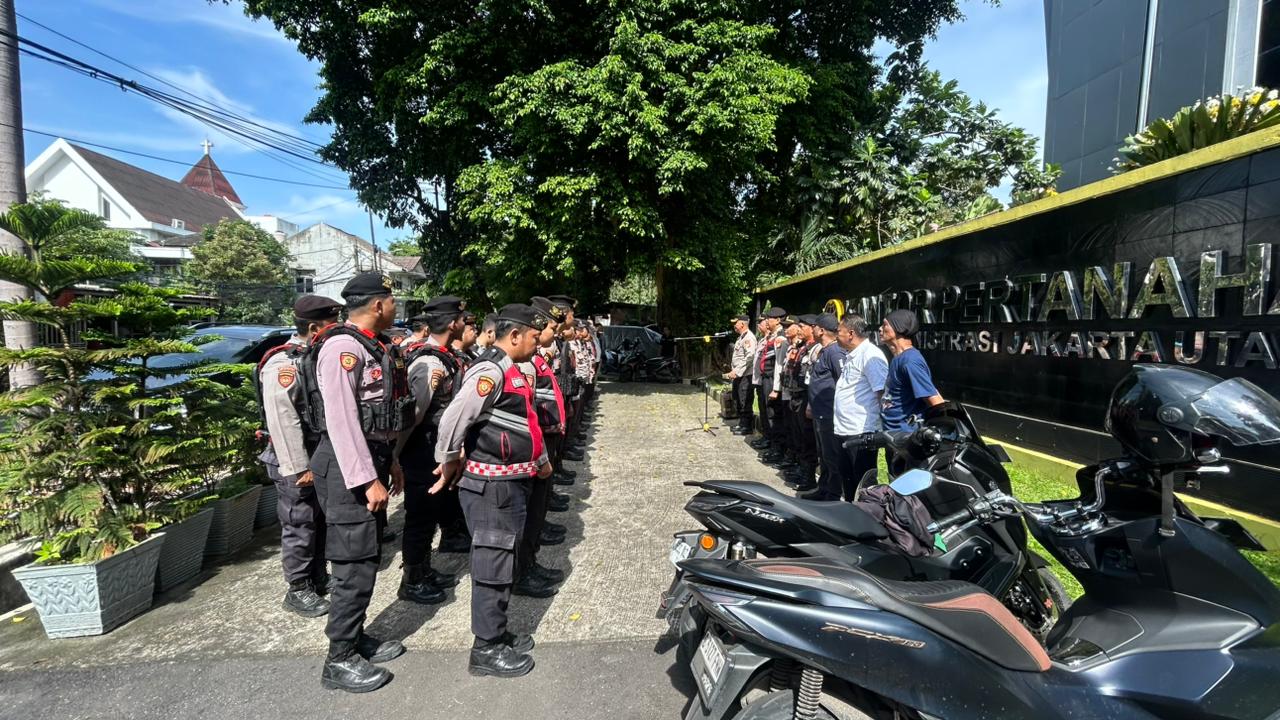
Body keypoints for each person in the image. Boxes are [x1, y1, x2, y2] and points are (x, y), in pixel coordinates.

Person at [431, 303, 552, 678]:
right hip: (491, 487)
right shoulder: (491, 370)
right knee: (492, 565)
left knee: (503, 561)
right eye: (533, 337)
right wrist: (448, 460)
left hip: (510, 483)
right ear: (514, 335)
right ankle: (485, 648)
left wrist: (541, 458)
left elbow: (526, 421)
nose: (537, 343)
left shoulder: (511, 368)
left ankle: (496, 632)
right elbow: (454, 418)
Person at [306, 272, 414, 693]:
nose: (395, 307)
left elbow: (380, 416)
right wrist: (367, 478)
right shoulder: (342, 348)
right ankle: (339, 658)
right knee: (352, 562)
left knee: (366, 556)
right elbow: (342, 421)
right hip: (346, 467)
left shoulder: (373, 345)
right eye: (392, 300)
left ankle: (354, 636)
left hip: (372, 458)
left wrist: (392, 462)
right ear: (378, 304)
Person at [257, 295, 342, 619]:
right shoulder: (284, 364)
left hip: (316, 453)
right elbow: (283, 419)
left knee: (318, 520)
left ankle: (318, 576)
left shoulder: (313, 356)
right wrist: (298, 467)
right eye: (332, 323)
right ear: (314, 328)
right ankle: (298, 588)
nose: (338, 328)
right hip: (293, 458)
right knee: (299, 523)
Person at [392, 296, 469, 606]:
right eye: (461, 319)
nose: (465, 324)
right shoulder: (431, 363)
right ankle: (411, 579)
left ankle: (424, 569)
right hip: (423, 450)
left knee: (432, 512)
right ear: (452, 324)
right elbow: (414, 416)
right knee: (420, 516)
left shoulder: (445, 356)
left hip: (436, 449)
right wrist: (395, 456)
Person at [511, 296, 569, 598]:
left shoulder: (535, 359)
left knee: (537, 508)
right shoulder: (524, 363)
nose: (553, 333)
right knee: (528, 512)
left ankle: (529, 562)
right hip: (533, 446)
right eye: (549, 328)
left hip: (544, 440)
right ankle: (521, 571)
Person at [833, 313, 889, 500]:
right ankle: (850, 512)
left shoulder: (870, 355)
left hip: (862, 432)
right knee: (848, 480)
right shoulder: (853, 355)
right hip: (846, 429)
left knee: (863, 485)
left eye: (839, 331)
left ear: (850, 333)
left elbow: (881, 393)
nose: (836, 335)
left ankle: (864, 516)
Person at [805, 313, 851, 501]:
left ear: (822, 330)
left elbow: (843, 380)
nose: (812, 329)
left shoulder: (835, 352)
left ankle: (833, 494)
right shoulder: (824, 350)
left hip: (829, 413)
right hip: (820, 412)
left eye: (814, 326)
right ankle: (823, 488)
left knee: (832, 456)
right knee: (823, 455)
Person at [880, 309, 944, 433]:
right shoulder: (898, 358)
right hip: (892, 435)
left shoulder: (910, 361)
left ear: (899, 328)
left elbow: (935, 401)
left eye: (885, 325)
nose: (880, 329)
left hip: (906, 436)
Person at [757, 307, 788, 461]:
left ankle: (777, 449)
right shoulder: (771, 336)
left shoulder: (781, 337)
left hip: (772, 379)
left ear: (777, 320)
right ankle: (770, 442)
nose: (766, 321)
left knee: (773, 414)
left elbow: (779, 364)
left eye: (769, 319)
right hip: (765, 378)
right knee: (766, 411)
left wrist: (776, 388)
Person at [725, 314, 756, 436]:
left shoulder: (749, 338)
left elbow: (749, 357)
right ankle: (742, 423)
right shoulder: (741, 337)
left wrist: (737, 371)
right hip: (739, 375)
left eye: (736, 323)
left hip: (745, 375)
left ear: (742, 324)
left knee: (745, 400)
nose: (734, 325)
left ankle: (747, 426)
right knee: (738, 399)